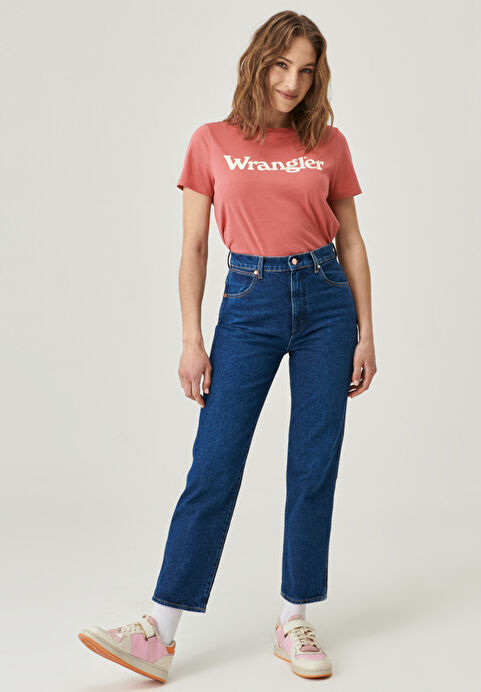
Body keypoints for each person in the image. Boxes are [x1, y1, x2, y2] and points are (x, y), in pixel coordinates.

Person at [78, 10, 377, 683]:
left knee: (313, 464)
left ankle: (294, 619)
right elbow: (192, 246)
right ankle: (158, 633)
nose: (293, 82)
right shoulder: (211, 140)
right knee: (213, 465)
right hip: (248, 303)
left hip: (326, 301)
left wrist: (366, 331)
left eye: (306, 70)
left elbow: (352, 240)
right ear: (258, 63)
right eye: (282, 65)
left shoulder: (328, 143)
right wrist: (191, 340)